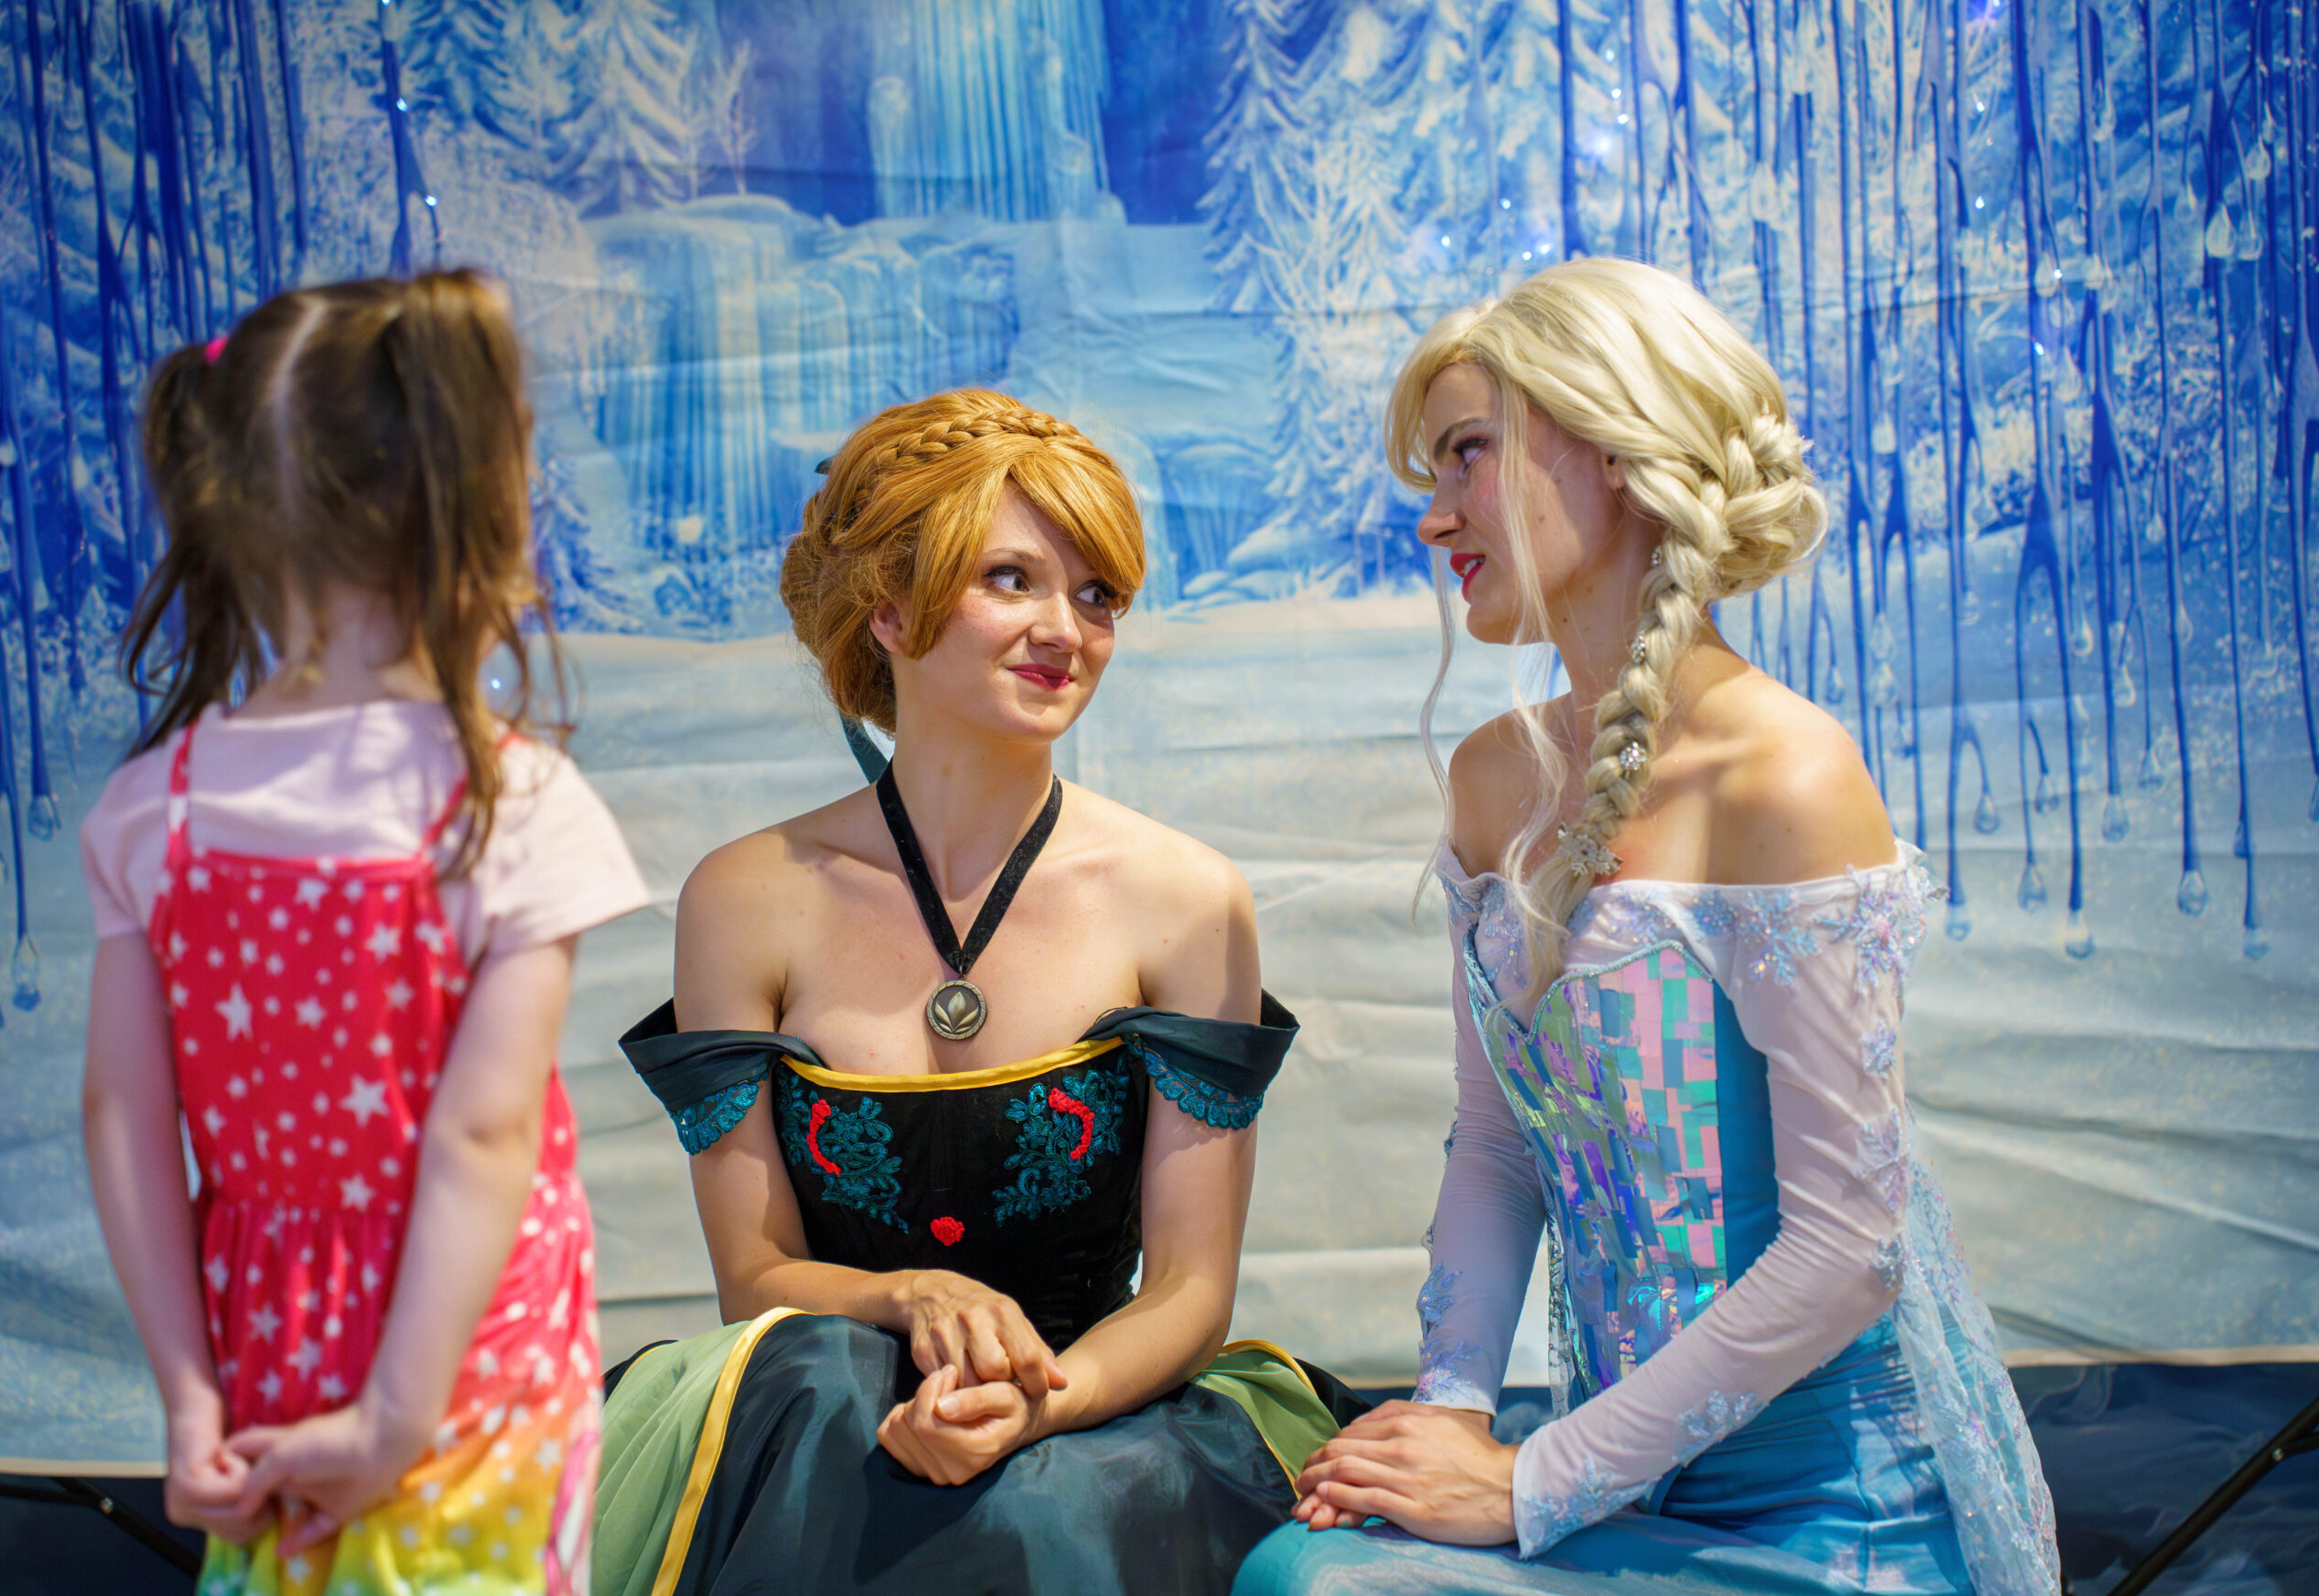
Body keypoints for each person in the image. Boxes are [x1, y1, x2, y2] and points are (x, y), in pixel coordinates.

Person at [1235, 260, 2058, 1595]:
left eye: (1466, 455)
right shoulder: (1492, 778)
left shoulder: (1783, 776)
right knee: (1302, 1572)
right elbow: (1495, 1141)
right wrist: (1449, 1416)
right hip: (1611, 1481)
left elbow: (1848, 1253)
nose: (1435, 517)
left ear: (1613, 450)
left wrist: (1529, 1480)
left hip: (1833, 1518)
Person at [593, 389, 1357, 1596]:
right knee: (820, 1379)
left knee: (1045, 1516)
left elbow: (1191, 1287)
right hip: (820, 1417)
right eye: (1012, 579)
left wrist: (1042, 1405)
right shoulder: (743, 898)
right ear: (889, 608)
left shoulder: (1188, 897)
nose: (1067, 629)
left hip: (1096, 1413)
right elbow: (755, 1275)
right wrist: (912, 1295)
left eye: (1097, 594)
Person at [78, 271, 649, 1596]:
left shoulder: (154, 811)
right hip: (472, 1367)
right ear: (475, 507)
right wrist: (396, 1417)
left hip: (267, 1348)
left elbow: (123, 1115)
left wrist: (188, 1400)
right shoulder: (512, 805)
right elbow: (482, 1135)